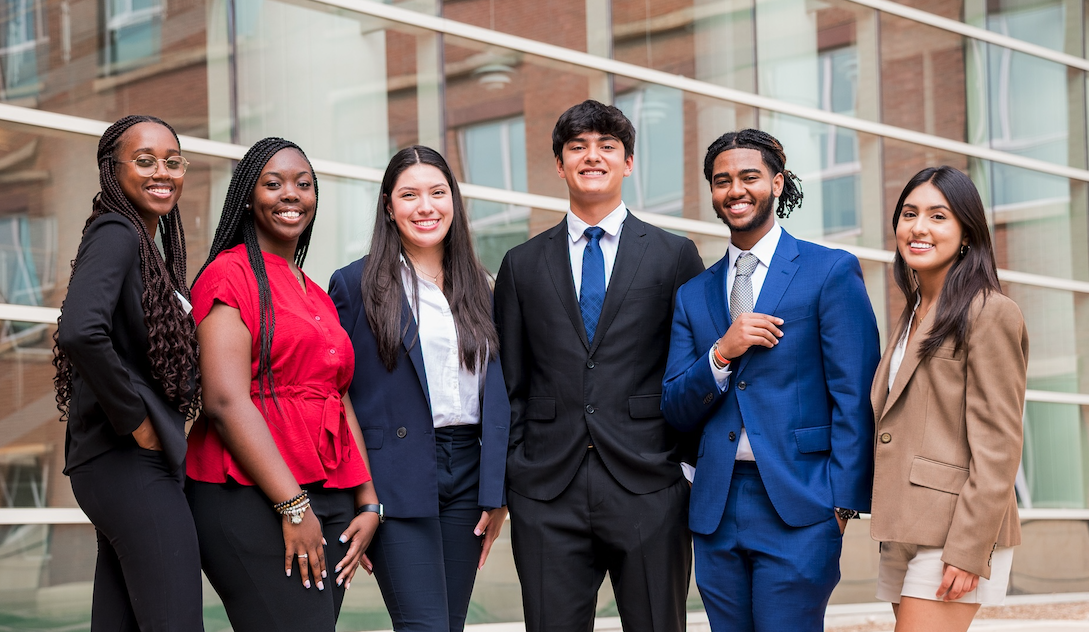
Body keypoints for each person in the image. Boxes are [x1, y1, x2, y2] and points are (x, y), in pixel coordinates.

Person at [494, 99, 704, 632]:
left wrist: (682, 470)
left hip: (649, 483)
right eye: (577, 147)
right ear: (560, 164)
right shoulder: (520, 265)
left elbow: (689, 371)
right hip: (546, 489)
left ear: (628, 163)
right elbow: (510, 382)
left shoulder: (673, 255)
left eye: (607, 146)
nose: (593, 156)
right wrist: (514, 472)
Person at [661, 128, 880, 632]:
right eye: (722, 181)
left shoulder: (830, 271)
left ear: (778, 184)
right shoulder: (694, 294)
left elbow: (855, 395)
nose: (734, 190)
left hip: (801, 504)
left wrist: (841, 504)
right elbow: (674, 404)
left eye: (749, 177)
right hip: (715, 506)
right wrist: (721, 351)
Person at [186, 137, 379, 632]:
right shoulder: (227, 274)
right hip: (249, 496)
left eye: (303, 183)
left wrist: (368, 500)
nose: (290, 194)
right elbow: (226, 401)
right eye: (272, 184)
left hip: (328, 497)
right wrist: (294, 507)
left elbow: (337, 399)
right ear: (248, 198)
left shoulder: (313, 290)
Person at [329, 145, 510, 632]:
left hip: (468, 476)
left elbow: (499, 394)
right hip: (393, 476)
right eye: (409, 195)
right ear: (389, 205)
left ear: (454, 200)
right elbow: (336, 394)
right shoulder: (354, 284)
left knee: (449, 625)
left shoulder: (483, 284)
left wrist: (497, 492)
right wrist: (361, 495)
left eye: (437, 192)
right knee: (424, 627)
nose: (425, 206)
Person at [54, 115, 203, 631]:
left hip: (117, 465)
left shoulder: (144, 242)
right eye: (144, 161)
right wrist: (134, 419)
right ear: (112, 172)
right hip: (125, 461)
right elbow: (79, 330)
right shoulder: (117, 231)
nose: (162, 171)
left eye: (172, 161)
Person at [869, 166, 1028, 632]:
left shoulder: (990, 312)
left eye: (938, 216)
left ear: (966, 233)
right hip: (905, 526)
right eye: (909, 214)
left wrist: (969, 547)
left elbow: (999, 444)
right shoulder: (915, 311)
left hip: (957, 529)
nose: (918, 227)